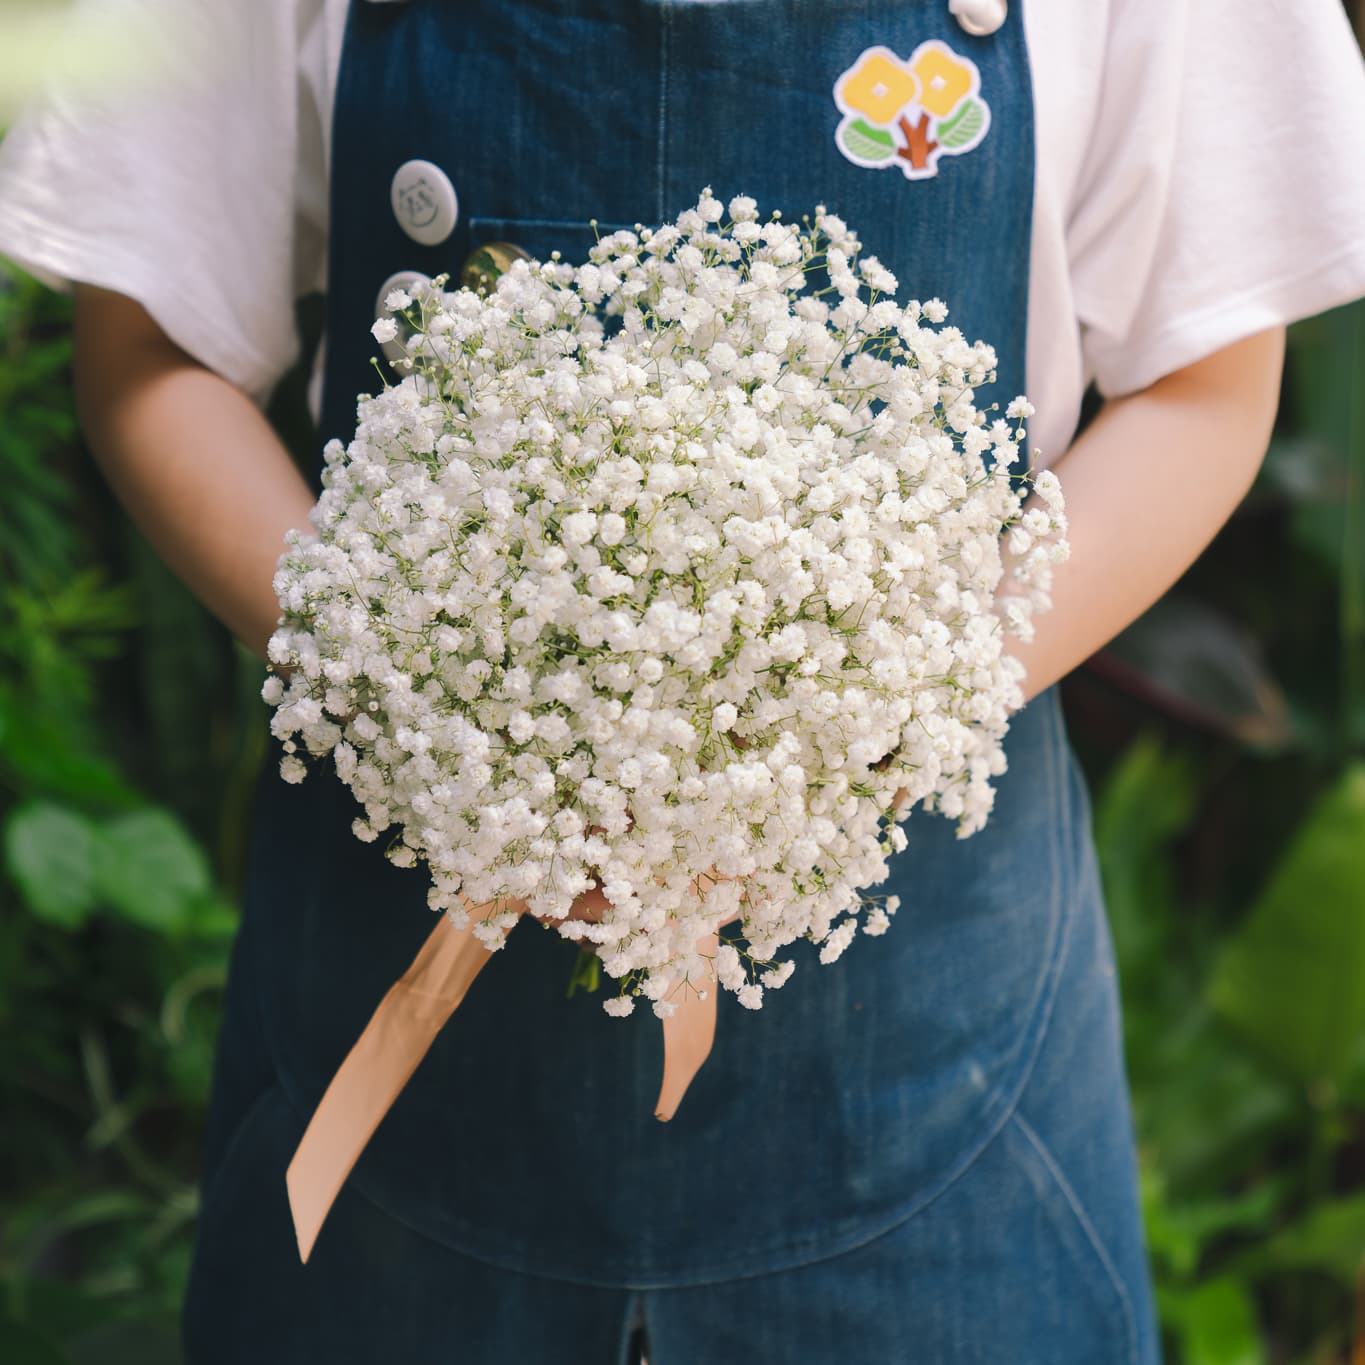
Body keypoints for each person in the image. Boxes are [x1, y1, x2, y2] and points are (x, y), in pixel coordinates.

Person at [3, 1, 1364, 1360]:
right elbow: (155, 343)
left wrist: (864, 719)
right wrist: (421, 706)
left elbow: (1204, 372)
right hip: (398, 1096)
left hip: (932, 1082)